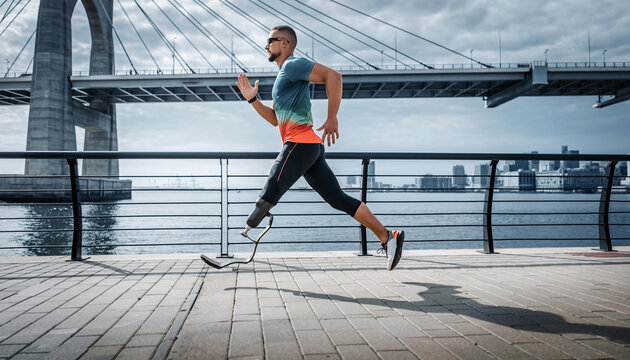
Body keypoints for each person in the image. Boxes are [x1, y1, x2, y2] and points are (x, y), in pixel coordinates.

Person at [235, 25, 404, 271]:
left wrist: (332, 116)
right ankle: (388, 237)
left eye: (270, 40)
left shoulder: (292, 65)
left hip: (300, 144)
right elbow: (275, 119)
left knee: (273, 185)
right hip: (309, 147)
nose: (266, 45)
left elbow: (333, 76)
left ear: (285, 43)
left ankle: (246, 231)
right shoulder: (284, 77)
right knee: (338, 199)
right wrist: (252, 99)